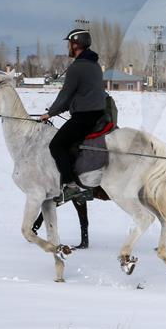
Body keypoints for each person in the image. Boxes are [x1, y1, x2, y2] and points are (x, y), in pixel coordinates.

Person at [40, 28, 107, 201]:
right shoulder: (95, 65)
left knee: (56, 145)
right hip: (98, 115)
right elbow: (78, 95)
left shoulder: (77, 68)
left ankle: (71, 186)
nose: (67, 47)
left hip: (84, 118)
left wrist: (50, 114)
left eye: (69, 44)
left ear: (76, 44)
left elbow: (65, 95)